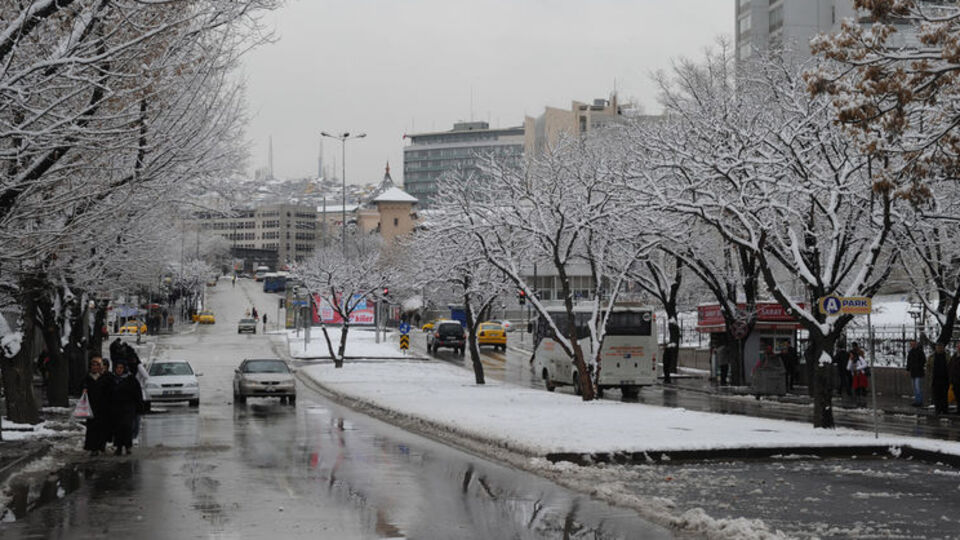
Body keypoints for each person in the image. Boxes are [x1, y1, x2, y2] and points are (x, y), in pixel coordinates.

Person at [106, 359, 144, 455]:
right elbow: (107, 393)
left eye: (121, 368)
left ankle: (128, 446)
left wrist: (139, 407)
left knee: (127, 427)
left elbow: (137, 394)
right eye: (117, 368)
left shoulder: (131, 379)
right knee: (117, 428)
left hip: (128, 407)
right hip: (115, 408)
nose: (119, 370)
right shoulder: (112, 380)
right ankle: (118, 446)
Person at [82, 356, 109, 456]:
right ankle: (93, 447)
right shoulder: (87, 378)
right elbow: (82, 387)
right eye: (93, 365)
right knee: (92, 428)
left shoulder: (104, 378)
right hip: (91, 406)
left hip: (102, 407)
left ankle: (101, 445)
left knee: (101, 427)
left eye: (97, 365)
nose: (94, 367)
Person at [929, 342, 950, 415]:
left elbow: (950, 366)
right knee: (936, 395)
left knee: (944, 395)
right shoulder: (932, 357)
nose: (939, 349)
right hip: (935, 379)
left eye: (941, 347)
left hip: (945, 379)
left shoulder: (947, 356)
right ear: (936, 348)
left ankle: (944, 409)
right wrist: (930, 375)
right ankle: (938, 409)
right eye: (938, 347)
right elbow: (928, 367)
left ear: (943, 348)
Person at [847, 342, 868, 407]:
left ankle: (863, 401)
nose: (850, 356)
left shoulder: (860, 358)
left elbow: (865, 364)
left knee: (862, 388)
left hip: (861, 374)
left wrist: (857, 368)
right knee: (857, 388)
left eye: (851, 355)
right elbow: (848, 368)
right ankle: (858, 401)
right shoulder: (851, 360)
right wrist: (851, 364)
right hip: (855, 375)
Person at [906, 340, 926, 407]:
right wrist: (908, 368)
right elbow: (909, 361)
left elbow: (923, 360)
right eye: (911, 344)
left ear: (916, 344)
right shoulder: (911, 352)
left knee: (918, 388)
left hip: (919, 372)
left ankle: (919, 402)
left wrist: (918, 366)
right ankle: (917, 401)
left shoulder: (920, 351)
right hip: (913, 372)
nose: (912, 345)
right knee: (914, 388)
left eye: (914, 344)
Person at [949, 343, 960, 414]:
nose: (958, 348)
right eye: (958, 347)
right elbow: (950, 366)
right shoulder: (954, 356)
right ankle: (958, 409)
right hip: (955, 380)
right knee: (957, 395)